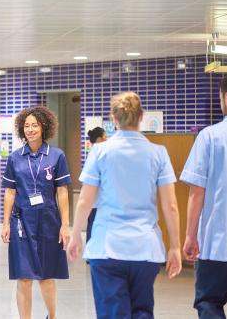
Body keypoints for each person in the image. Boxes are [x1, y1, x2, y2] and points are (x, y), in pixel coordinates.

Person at [67, 91, 182, 319]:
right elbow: (170, 205)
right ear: (142, 116)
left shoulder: (100, 151)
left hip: (107, 247)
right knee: (142, 311)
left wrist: (76, 235)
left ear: (113, 118)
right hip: (145, 248)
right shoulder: (158, 153)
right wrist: (175, 247)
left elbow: (85, 201)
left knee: (112, 313)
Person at [180, 73, 227, 319]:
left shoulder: (210, 136)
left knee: (209, 302)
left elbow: (197, 191)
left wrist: (190, 236)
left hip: (218, 242)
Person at [0, 106, 71, 319]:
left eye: (34, 125)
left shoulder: (56, 156)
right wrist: (5, 223)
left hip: (49, 221)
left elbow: (62, 191)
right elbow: (10, 192)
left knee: (47, 277)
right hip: (21, 223)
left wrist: (65, 224)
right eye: (26, 125)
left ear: (44, 127)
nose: (30, 129)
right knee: (24, 277)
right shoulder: (14, 158)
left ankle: (52, 316)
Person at [86, 126, 106, 243]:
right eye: (105, 137)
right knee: (93, 226)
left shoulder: (94, 153)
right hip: (96, 200)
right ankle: (90, 254)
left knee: (93, 225)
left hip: (95, 199)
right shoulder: (96, 154)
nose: (106, 140)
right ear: (99, 139)